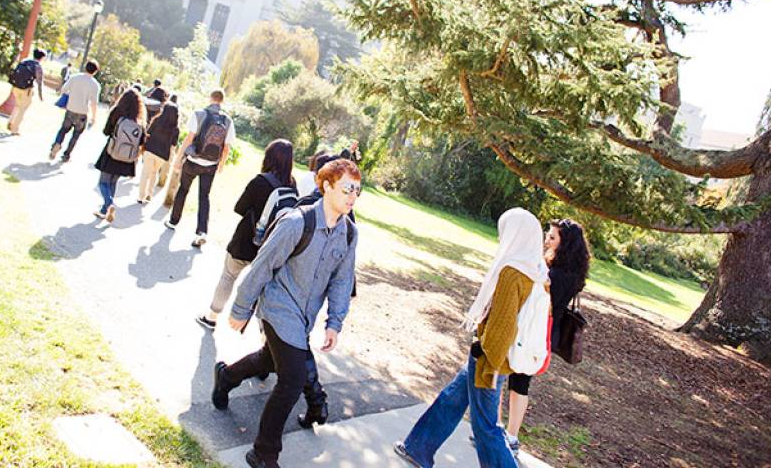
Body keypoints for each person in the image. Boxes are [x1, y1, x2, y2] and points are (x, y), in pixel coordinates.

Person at [211, 158, 360, 468]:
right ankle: (263, 453)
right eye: (347, 188)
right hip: (279, 307)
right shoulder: (297, 222)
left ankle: (227, 376)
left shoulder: (348, 233)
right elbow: (263, 264)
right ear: (327, 186)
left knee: (271, 360)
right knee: (292, 379)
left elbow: (342, 280)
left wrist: (334, 323)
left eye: (357, 190)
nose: (352, 196)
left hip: (305, 315)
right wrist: (240, 308)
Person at [393, 207, 548, 468]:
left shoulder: (513, 273)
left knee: (486, 427)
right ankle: (418, 447)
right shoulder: (537, 272)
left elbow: (502, 327)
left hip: (491, 358)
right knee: (453, 398)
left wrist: (489, 364)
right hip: (499, 356)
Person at [503, 219, 589, 457]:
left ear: (566, 244)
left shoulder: (559, 276)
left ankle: (510, 436)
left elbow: (540, 289)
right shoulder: (564, 269)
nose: (546, 240)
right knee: (514, 378)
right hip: (537, 330)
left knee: (518, 381)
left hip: (537, 333)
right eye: (547, 235)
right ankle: (506, 433)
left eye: (552, 237)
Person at [195, 139, 296, 330]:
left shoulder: (260, 181)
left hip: (245, 240)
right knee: (259, 287)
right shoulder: (292, 186)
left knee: (228, 276)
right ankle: (258, 329)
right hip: (270, 247)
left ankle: (212, 317)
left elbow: (239, 208)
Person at [164, 89, 235, 248]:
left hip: (193, 161)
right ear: (222, 101)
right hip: (211, 165)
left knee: (183, 189)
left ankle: (173, 221)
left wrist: (178, 158)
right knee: (204, 197)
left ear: (210, 98)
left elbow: (189, 139)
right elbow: (227, 147)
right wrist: (221, 164)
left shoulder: (199, 114)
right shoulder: (228, 120)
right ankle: (202, 231)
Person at [93, 89, 147, 223]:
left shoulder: (116, 112)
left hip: (112, 151)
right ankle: (104, 210)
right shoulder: (139, 120)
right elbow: (141, 141)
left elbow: (106, 132)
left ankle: (109, 204)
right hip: (126, 157)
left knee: (103, 182)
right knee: (113, 182)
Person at [49, 60, 101, 162]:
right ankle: (66, 155)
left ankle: (57, 143)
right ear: (95, 71)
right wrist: (94, 118)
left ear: (85, 67)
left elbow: (63, 90)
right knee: (75, 135)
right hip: (82, 113)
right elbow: (94, 103)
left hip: (70, 109)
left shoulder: (75, 77)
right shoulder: (95, 85)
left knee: (63, 130)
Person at [137, 102, 180, 203]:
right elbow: (173, 144)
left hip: (150, 150)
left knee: (145, 173)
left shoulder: (156, 120)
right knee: (154, 172)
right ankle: (149, 194)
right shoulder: (176, 129)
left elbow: (148, 133)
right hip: (162, 155)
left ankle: (141, 196)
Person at [6, 48, 46, 135]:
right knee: (22, 109)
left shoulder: (25, 61)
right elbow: (39, 83)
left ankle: (11, 121)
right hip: (26, 89)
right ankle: (15, 129)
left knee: (17, 105)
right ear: (42, 57)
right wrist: (41, 96)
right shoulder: (38, 66)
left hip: (16, 86)